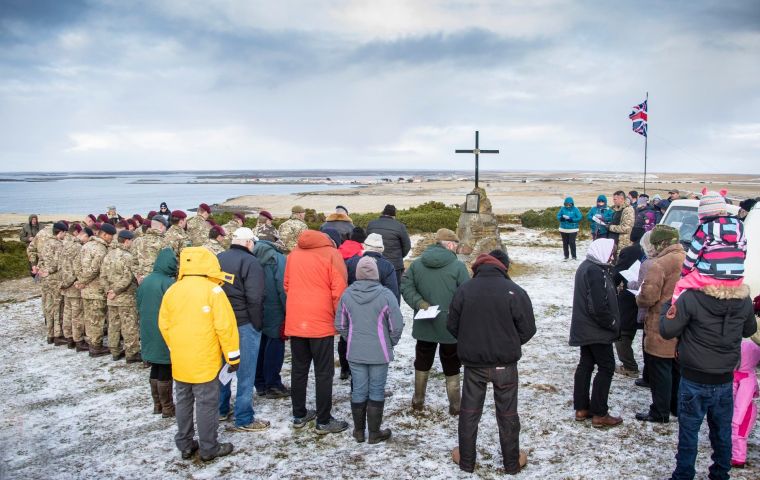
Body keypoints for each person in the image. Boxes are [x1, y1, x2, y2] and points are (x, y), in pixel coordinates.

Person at [447, 252, 535, 474]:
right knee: (507, 413)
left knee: (469, 411)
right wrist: (507, 342)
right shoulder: (514, 291)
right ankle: (511, 463)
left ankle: (467, 462)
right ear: (503, 267)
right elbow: (528, 329)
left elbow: (452, 325)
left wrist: (472, 341)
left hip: (475, 363)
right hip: (503, 363)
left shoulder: (465, 289)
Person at [660, 281, 756, 479]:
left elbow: (667, 330)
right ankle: (721, 474)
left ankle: (683, 475)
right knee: (721, 433)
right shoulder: (743, 299)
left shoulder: (691, 297)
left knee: (689, 432)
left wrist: (667, 305)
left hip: (694, 378)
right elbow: (749, 329)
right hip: (724, 378)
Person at [159, 247, 240, 462]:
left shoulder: (173, 290)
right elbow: (226, 327)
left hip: (180, 358)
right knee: (206, 404)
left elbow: (164, 324)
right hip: (205, 359)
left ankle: (185, 444)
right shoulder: (213, 291)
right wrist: (233, 357)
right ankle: (209, 447)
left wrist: (174, 346)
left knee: (184, 401)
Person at [284, 229, 349, 434]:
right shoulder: (332, 254)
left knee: (299, 369)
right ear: (331, 240)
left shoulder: (293, 254)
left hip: (297, 319)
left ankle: (299, 414)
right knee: (323, 372)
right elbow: (339, 291)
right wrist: (340, 320)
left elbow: (286, 284)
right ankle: (323, 419)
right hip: (321, 322)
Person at [335, 256, 404, 444]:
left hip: (355, 351)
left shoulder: (347, 294)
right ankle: (373, 433)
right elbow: (397, 325)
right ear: (376, 274)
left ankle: (359, 432)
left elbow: (340, 324)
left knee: (358, 389)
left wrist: (352, 339)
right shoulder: (386, 295)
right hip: (379, 351)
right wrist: (389, 342)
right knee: (376, 390)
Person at [401, 228, 470, 414]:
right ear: (448, 244)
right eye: (455, 244)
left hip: (425, 323)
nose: (457, 248)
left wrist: (419, 303)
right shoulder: (458, 267)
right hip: (451, 326)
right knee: (452, 364)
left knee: (422, 361)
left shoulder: (416, 265)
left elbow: (406, 286)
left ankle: (418, 401)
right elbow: (466, 295)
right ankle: (456, 406)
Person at [216, 228, 270, 432]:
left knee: (223, 367)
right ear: (248, 242)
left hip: (222, 323)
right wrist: (257, 324)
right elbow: (255, 297)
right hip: (244, 322)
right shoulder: (251, 262)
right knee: (246, 371)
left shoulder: (219, 258)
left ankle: (221, 409)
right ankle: (244, 416)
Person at [569, 238, 622, 428]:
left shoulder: (588, 267)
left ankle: (582, 408)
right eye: (611, 252)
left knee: (586, 364)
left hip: (586, 327)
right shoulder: (594, 271)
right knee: (606, 367)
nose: (613, 256)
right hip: (596, 330)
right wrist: (612, 322)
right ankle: (599, 412)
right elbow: (599, 306)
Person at [635, 225, 684, 423]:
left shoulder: (660, 264)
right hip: (683, 322)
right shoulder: (689, 258)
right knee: (676, 367)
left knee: (660, 368)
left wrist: (639, 297)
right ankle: (676, 406)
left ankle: (660, 411)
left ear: (661, 242)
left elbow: (648, 297)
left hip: (660, 322)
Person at [672, 189, 746, 302]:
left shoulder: (706, 228)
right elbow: (743, 251)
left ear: (703, 213)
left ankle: (673, 312)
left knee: (679, 286)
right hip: (736, 277)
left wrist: (684, 273)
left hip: (709, 277)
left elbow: (692, 255)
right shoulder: (739, 226)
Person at [137, 248, 177, 418]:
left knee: (155, 366)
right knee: (165, 367)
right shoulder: (168, 283)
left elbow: (138, 303)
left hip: (147, 328)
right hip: (162, 330)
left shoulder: (146, 281)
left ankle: (157, 404)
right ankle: (168, 407)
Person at [252, 238, 290, 399]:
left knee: (260, 345)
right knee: (275, 346)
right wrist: (288, 310)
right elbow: (283, 286)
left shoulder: (252, 256)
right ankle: (273, 384)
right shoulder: (277, 258)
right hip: (275, 307)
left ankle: (260, 383)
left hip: (257, 307)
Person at [100, 230, 140, 363]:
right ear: (127, 241)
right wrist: (116, 291)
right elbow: (128, 278)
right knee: (129, 325)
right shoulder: (128, 257)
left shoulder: (108, 255)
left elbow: (103, 276)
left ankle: (115, 351)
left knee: (114, 325)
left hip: (111, 298)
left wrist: (108, 291)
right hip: (126, 297)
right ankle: (132, 352)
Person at [77, 223, 115, 357]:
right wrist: (83, 281)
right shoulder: (101, 249)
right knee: (97, 319)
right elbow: (95, 270)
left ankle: (92, 342)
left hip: (86, 289)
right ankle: (95, 346)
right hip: (96, 289)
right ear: (104, 235)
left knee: (89, 318)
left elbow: (77, 264)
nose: (112, 238)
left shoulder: (86, 245)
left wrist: (80, 280)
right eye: (111, 236)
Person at [612, 229, 644, 378]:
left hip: (630, 295)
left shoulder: (629, 251)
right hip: (652, 297)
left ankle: (630, 366)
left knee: (623, 332)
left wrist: (613, 285)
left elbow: (617, 272)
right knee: (647, 333)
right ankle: (649, 371)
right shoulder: (658, 252)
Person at [61, 225, 91, 350]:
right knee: (77, 314)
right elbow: (78, 267)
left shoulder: (66, 244)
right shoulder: (79, 248)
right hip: (74, 284)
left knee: (67, 312)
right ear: (85, 235)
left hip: (64, 282)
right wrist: (80, 281)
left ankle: (68, 337)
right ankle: (78, 340)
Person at [731, 339, 760, 468]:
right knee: (734, 433)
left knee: (739, 433)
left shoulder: (747, 378)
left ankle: (738, 458)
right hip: (735, 410)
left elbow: (742, 403)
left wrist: (735, 420)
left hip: (744, 413)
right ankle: (732, 453)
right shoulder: (735, 374)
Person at [367, 204, 412, 287]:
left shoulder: (371, 224)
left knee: (376, 290)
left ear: (383, 213)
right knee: (395, 290)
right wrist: (399, 256)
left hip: (374, 263)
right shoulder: (400, 226)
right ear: (394, 215)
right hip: (395, 265)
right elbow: (407, 246)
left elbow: (367, 242)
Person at [346, 233, 399, 302]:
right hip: (378, 307)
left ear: (365, 246)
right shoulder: (388, 266)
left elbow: (345, 285)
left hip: (353, 304)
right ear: (381, 248)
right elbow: (392, 293)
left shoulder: (351, 262)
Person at [38, 221, 67, 344]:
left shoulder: (45, 243)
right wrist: (49, 271)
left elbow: (41, 260)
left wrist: (42, 270)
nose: (65, 235)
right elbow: (56, 264)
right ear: (59, 232)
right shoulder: (58, 245)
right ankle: (58, 335)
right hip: (55, 279)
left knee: (48, 307)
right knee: (58, 307)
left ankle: (50, 334)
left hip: (46, 280)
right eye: (64, 232)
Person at [134, 216, 168, 282]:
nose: (166, 229)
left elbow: (133, 261)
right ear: (161, 226)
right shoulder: (164, 241)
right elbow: (167, 263)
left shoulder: (138, 241)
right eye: (165, 226)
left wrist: (138, 276)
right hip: (158, 280)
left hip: (142, 280)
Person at [607, 190, 635, 256]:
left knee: (619, 262)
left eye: (615, 199)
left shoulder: (628, 210)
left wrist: (610, 227)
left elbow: (626, 228)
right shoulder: (617, 209)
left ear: (622, 199)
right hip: (614, 242)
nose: (613, 201)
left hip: (622, 243)